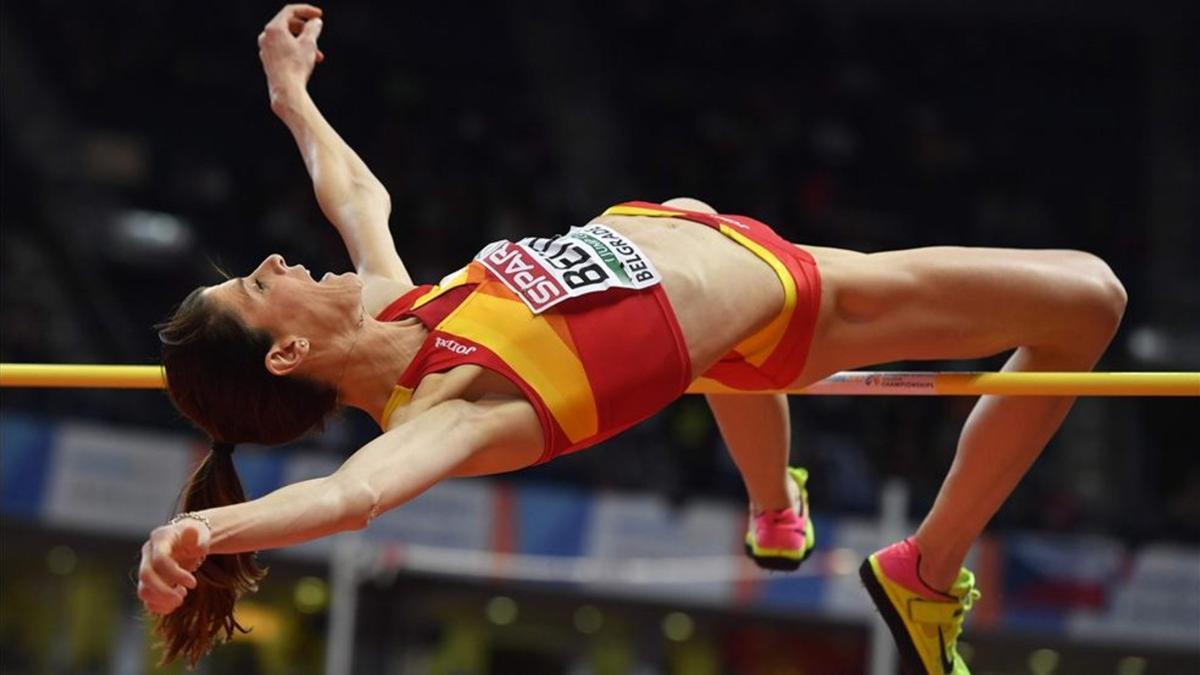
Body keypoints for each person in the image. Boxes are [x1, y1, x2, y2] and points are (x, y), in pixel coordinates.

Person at [137, 5, 1127, 672]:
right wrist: (204, 529)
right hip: (803, 298)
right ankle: (926, 569)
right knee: (1088, 298)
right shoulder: (449, 410)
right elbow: (354, 495)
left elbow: (357, 196)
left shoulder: (400, 312)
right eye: (259, 286)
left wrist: (293, 98)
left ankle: (775, 504)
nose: (277, 262)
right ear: (285, 355)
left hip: (695, 245)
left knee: (715, 348)